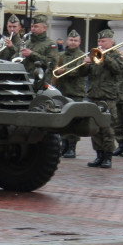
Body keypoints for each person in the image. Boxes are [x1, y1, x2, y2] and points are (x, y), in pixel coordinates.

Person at [81, 29, 123, 168]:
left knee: (108, 128)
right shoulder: (93, 55)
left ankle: (107, 156)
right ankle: (98, 155)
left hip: (108, 97)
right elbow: (82, 74)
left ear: (111, 42)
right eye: (99, 41)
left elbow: (118, 69)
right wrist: (85, 63)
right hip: (94, 95)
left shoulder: (116, 55)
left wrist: (105, 57)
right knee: (95, 128)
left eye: (103, 41)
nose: (100, 43)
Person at [54, 29, 86, 158]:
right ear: (67, 41)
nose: (73, 42)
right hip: (62, 90)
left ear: (79, 42)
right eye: (71, 40)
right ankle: (64, 144)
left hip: (75, 91)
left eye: (75, 40)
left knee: (73, 121)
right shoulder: (61, 54)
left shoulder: (82, 55)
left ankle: (72, 146)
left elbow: (78, 72)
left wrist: (63, 70)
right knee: (62, 120)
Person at [17, 15, 60, 79]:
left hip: (41, 80)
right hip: (26, 78)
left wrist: (32, 54)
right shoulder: (28, 42)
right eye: (32, 26)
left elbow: (52, 63)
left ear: (44, 28)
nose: (32, 29)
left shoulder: (51, 44)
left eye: (36, 26)